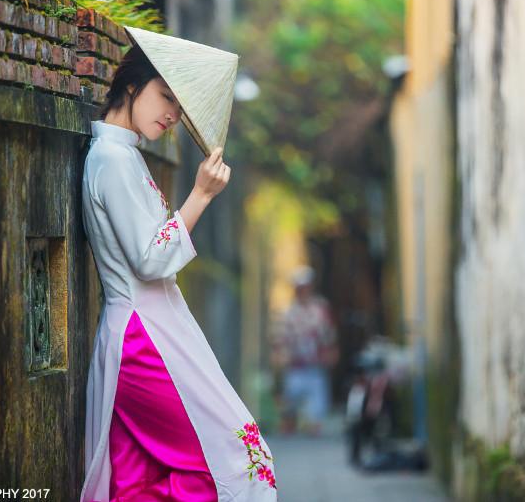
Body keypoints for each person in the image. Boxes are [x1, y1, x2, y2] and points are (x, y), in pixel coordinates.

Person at [80, 28, 277, 502]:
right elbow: (150, 260)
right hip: (144, 339)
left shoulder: (124, 155)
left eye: (178, 105)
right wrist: (201, 195)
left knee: (140, 479)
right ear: (132, 86)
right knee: (237, 463)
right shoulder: (111, 159)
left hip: (153, 332)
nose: (171, 114)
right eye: (165, 96)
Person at [272, 266, 338, 436]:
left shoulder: (320, 309)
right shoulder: (289, 313)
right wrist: (279, 354)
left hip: (315, 365)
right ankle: (290, 421)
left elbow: (328, 333)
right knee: (291, 397)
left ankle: (313, 424)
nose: (302, 291)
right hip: (295, 365)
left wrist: (331, 352)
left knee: (316, 402)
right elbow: (281, 337)